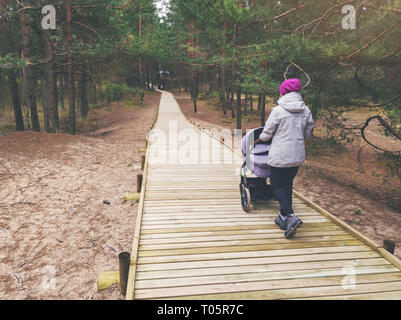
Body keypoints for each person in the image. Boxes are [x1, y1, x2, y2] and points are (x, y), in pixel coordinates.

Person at [256, 78, 314, 239]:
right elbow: (308, 133)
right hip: (297, 155)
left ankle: (290, 215)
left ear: (284, 92)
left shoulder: (278, 111)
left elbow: (266, 135)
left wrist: (261, 137)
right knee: (287, 184)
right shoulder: (306, 111)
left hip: (280, 155)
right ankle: (283, 218)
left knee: (276, 185)